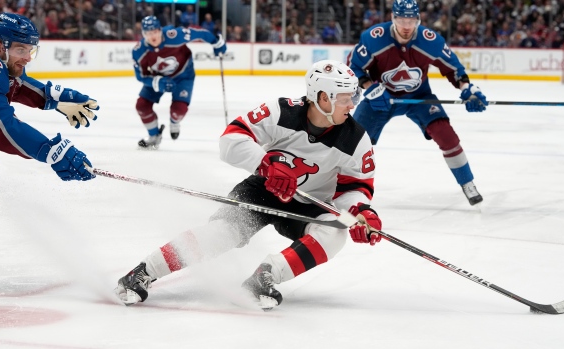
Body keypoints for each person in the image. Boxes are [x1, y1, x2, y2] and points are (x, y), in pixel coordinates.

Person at [115, 60, 383, 311]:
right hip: (262, 189)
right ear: (324, 98)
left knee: (335, 234)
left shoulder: (356, 139)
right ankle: (143, 271)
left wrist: (360, 212)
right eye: (347, 98)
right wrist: (264, 164)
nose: (352, 105)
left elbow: (354, 188)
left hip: (310, 203)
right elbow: (230, 140)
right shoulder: (281, 111)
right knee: (222, 233)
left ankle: (264, 276)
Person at [0, 13, 99, 239]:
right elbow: (1, 127)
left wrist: (58, 99)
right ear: (0, 47)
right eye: (21, 50)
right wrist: (50, 151)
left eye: (31, 50)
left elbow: (19, 85)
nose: (28, 57)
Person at [347, 0, 488, 206]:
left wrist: (467, 88)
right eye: (401, 20)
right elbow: (354, 66)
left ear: (418, 20)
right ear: (393, 19)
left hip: (418, 96)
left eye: (411, 20)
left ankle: (467, 183)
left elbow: (453, 68)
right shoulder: (374, 38)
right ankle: (340, 185)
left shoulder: (430, 41)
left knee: (446, 135)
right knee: (353, 140)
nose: (406, 26)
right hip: (381, 97)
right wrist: (370, 87)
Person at [132, 15, 226, 149]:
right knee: (142, 105)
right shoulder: (139, 51)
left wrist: (216, 42)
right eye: (148, 33)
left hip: (184, 76)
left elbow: (199, 33)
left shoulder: (174, 35)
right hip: (159, 77)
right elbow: (141, 76)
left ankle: (174, 122)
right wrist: (157, 82)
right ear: (143, 34)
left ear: (160, 30)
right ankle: (154, 136)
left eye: (155, 32)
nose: (152, 36)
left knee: (179, 110)